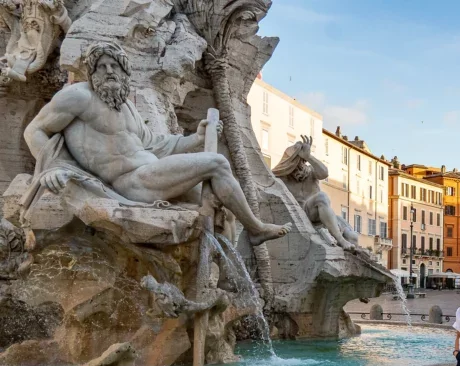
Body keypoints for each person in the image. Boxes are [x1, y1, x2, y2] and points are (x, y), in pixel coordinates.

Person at [23, 42, 291, 246]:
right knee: (218, 164)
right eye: (101, 67)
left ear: (124, 71)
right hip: (130, 183)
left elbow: (156, 145)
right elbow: (34, 130)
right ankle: (256, 229)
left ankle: (223, 283)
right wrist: (50, 168)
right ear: (91, 73)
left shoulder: (126, 106)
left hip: (152, 173)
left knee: (225, 207)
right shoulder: (78, 97)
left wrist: (196, 139)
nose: (108, 71)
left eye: (114, 66)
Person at [272, 136, 358, 251]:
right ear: (289, 163)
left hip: (322, 216)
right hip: (303, 215)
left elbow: (324, 173)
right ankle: (340, 240)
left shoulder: (311, 172)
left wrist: (309, 157)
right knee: (321, 197)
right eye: (298, 161)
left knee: (353, 238)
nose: (301, 165)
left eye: (303, 161)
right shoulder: (282, 179)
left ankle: (345, 246)